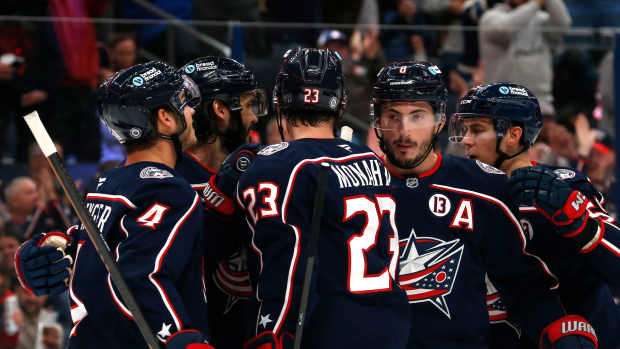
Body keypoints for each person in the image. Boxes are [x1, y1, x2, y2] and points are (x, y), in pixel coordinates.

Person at [370, 61, 597, 349]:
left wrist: (557, 328)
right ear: (377, 120)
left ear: (440, 119)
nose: (404, 132)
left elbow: (521, 284)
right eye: (392, 116)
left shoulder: (486, 187)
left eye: (417, 116)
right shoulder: (347, 184)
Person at [13, 61, 214, 349]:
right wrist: (178, 338)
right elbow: (141, 276)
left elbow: (101, 257)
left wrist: (56, 245)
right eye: (184, 104)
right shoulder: (169, 189)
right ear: (165, 118)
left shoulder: (108, 183)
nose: (193, 112)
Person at [235, 48, 410, 348]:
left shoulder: (276, 166)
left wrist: (274, 334)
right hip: (390, 326)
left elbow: (287, 265)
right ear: (340, 104)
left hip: (325, 330)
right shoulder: (370, 159)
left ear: (281, 100)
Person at [449, 82, 620, 348]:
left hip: (587, 336)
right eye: (466, 129)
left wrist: (582, 225)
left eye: (477, 130)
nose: (466, 139)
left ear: (513, 135)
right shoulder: (459, 192)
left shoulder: (565, 186)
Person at [177, 56, 267, 349]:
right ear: (221, 110)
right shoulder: (164, 182)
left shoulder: (263, 171)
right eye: (249, 104)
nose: (255, 117)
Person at [479, 0, 571, 110]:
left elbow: (564, 25)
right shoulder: (490, 18)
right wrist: (536, 4)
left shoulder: (541, 19)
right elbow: (506, 30)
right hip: (501, 99)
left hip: (539, 99)